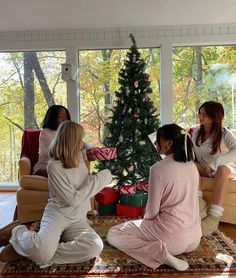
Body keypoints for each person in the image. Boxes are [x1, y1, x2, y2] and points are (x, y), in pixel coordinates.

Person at [0, 121, 112, 265]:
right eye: (80, 139)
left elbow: (84, 185)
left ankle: (34, 251)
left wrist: (100, 165)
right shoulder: (54, 166)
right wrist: (103, 178)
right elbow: (72, 199)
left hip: (77, 218)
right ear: (72, 140)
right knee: (42, 252)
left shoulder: (78, 157)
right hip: (57, 214)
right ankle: (18, 232)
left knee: (95, 247)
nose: (82, 143)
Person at [107, 124, 201, 271]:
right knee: (139, 227)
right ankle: (164, 250)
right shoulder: (192, 166)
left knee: (114, 233)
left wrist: (143, 225)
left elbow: (151, 212)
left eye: (158, 140)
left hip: (171, 240)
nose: (156, 143)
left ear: (168, 143)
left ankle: (161, 254)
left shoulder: (158, 169)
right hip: (194, 237)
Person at [190, 101, 236, 236]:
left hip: (225, 169)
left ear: (213, 116)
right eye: (200, 113)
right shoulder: (196, 132)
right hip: (206, 170)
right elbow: (192, 154)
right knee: (189, 165)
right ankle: (200, 207)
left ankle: (213, 218)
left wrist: (216, 163)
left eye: (204, 114)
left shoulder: (224, 133)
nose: (200, 116)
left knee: (222, 169)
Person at [33, 104, 71, 177]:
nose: (64, 120)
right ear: (52, 118)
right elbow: (53, 154)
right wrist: (81, 154)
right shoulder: (45, 132)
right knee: (59, 170)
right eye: (60, 117)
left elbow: (82, 144)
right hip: (45, 166)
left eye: (66, 117)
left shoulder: (68, 132)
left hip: (62, 166)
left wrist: (91, 150)